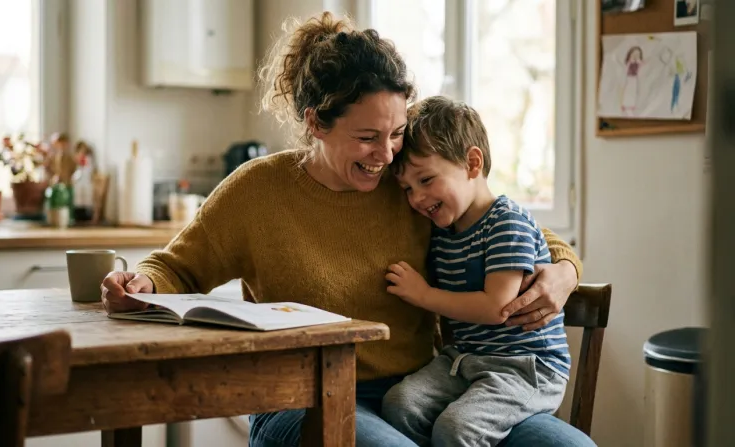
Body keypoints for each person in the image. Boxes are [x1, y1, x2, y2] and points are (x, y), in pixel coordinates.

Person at [100, 12, 593, 447]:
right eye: (367, 137)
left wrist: (565, 271)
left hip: (426, 389)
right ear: (316, 122)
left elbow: (508, 225)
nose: (386, 155)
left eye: (397, 133)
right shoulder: (259, 190)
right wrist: (141, 282)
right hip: (298, 399)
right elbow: (176, 265)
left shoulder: (410, 185)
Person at [381, 96, 570, 447]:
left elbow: (496, 307)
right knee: (400, 404)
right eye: (408, 188)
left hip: (527, 368)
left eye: (426, 180)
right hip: (466, 360)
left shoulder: (506, 222)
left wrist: (424, 295)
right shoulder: (441, 230)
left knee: (457, 428)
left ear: (471, 163)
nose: (417, 198)